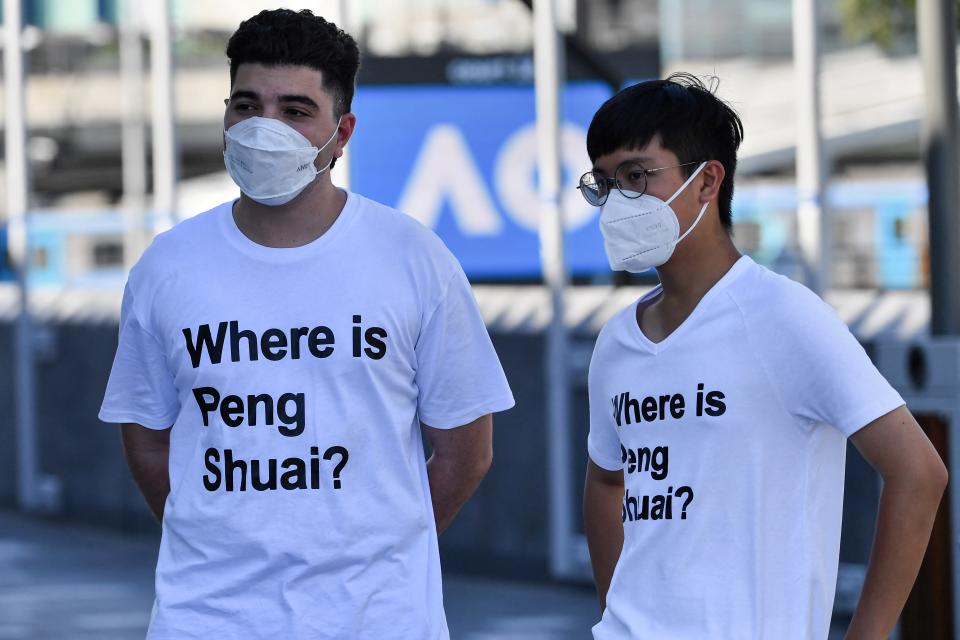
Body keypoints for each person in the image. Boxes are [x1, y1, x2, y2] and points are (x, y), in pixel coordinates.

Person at [99, 9, 514, 639]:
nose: (265, 127)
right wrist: (215, 538)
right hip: (208, 618)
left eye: (296, 110)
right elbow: (147, 437)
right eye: (247, 105)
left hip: (378, 619)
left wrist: (379, 550)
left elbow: (466, 452)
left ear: (341, 133)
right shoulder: (168, 266)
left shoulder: (412, 257)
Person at [580, 73, 947, 640]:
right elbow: (607, 483)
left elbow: (918, 473)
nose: (618, 201)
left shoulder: (783, 316)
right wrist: (617, 616)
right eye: (603, 184)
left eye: (637, 176)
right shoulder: (617, 342)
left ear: (707, 182)